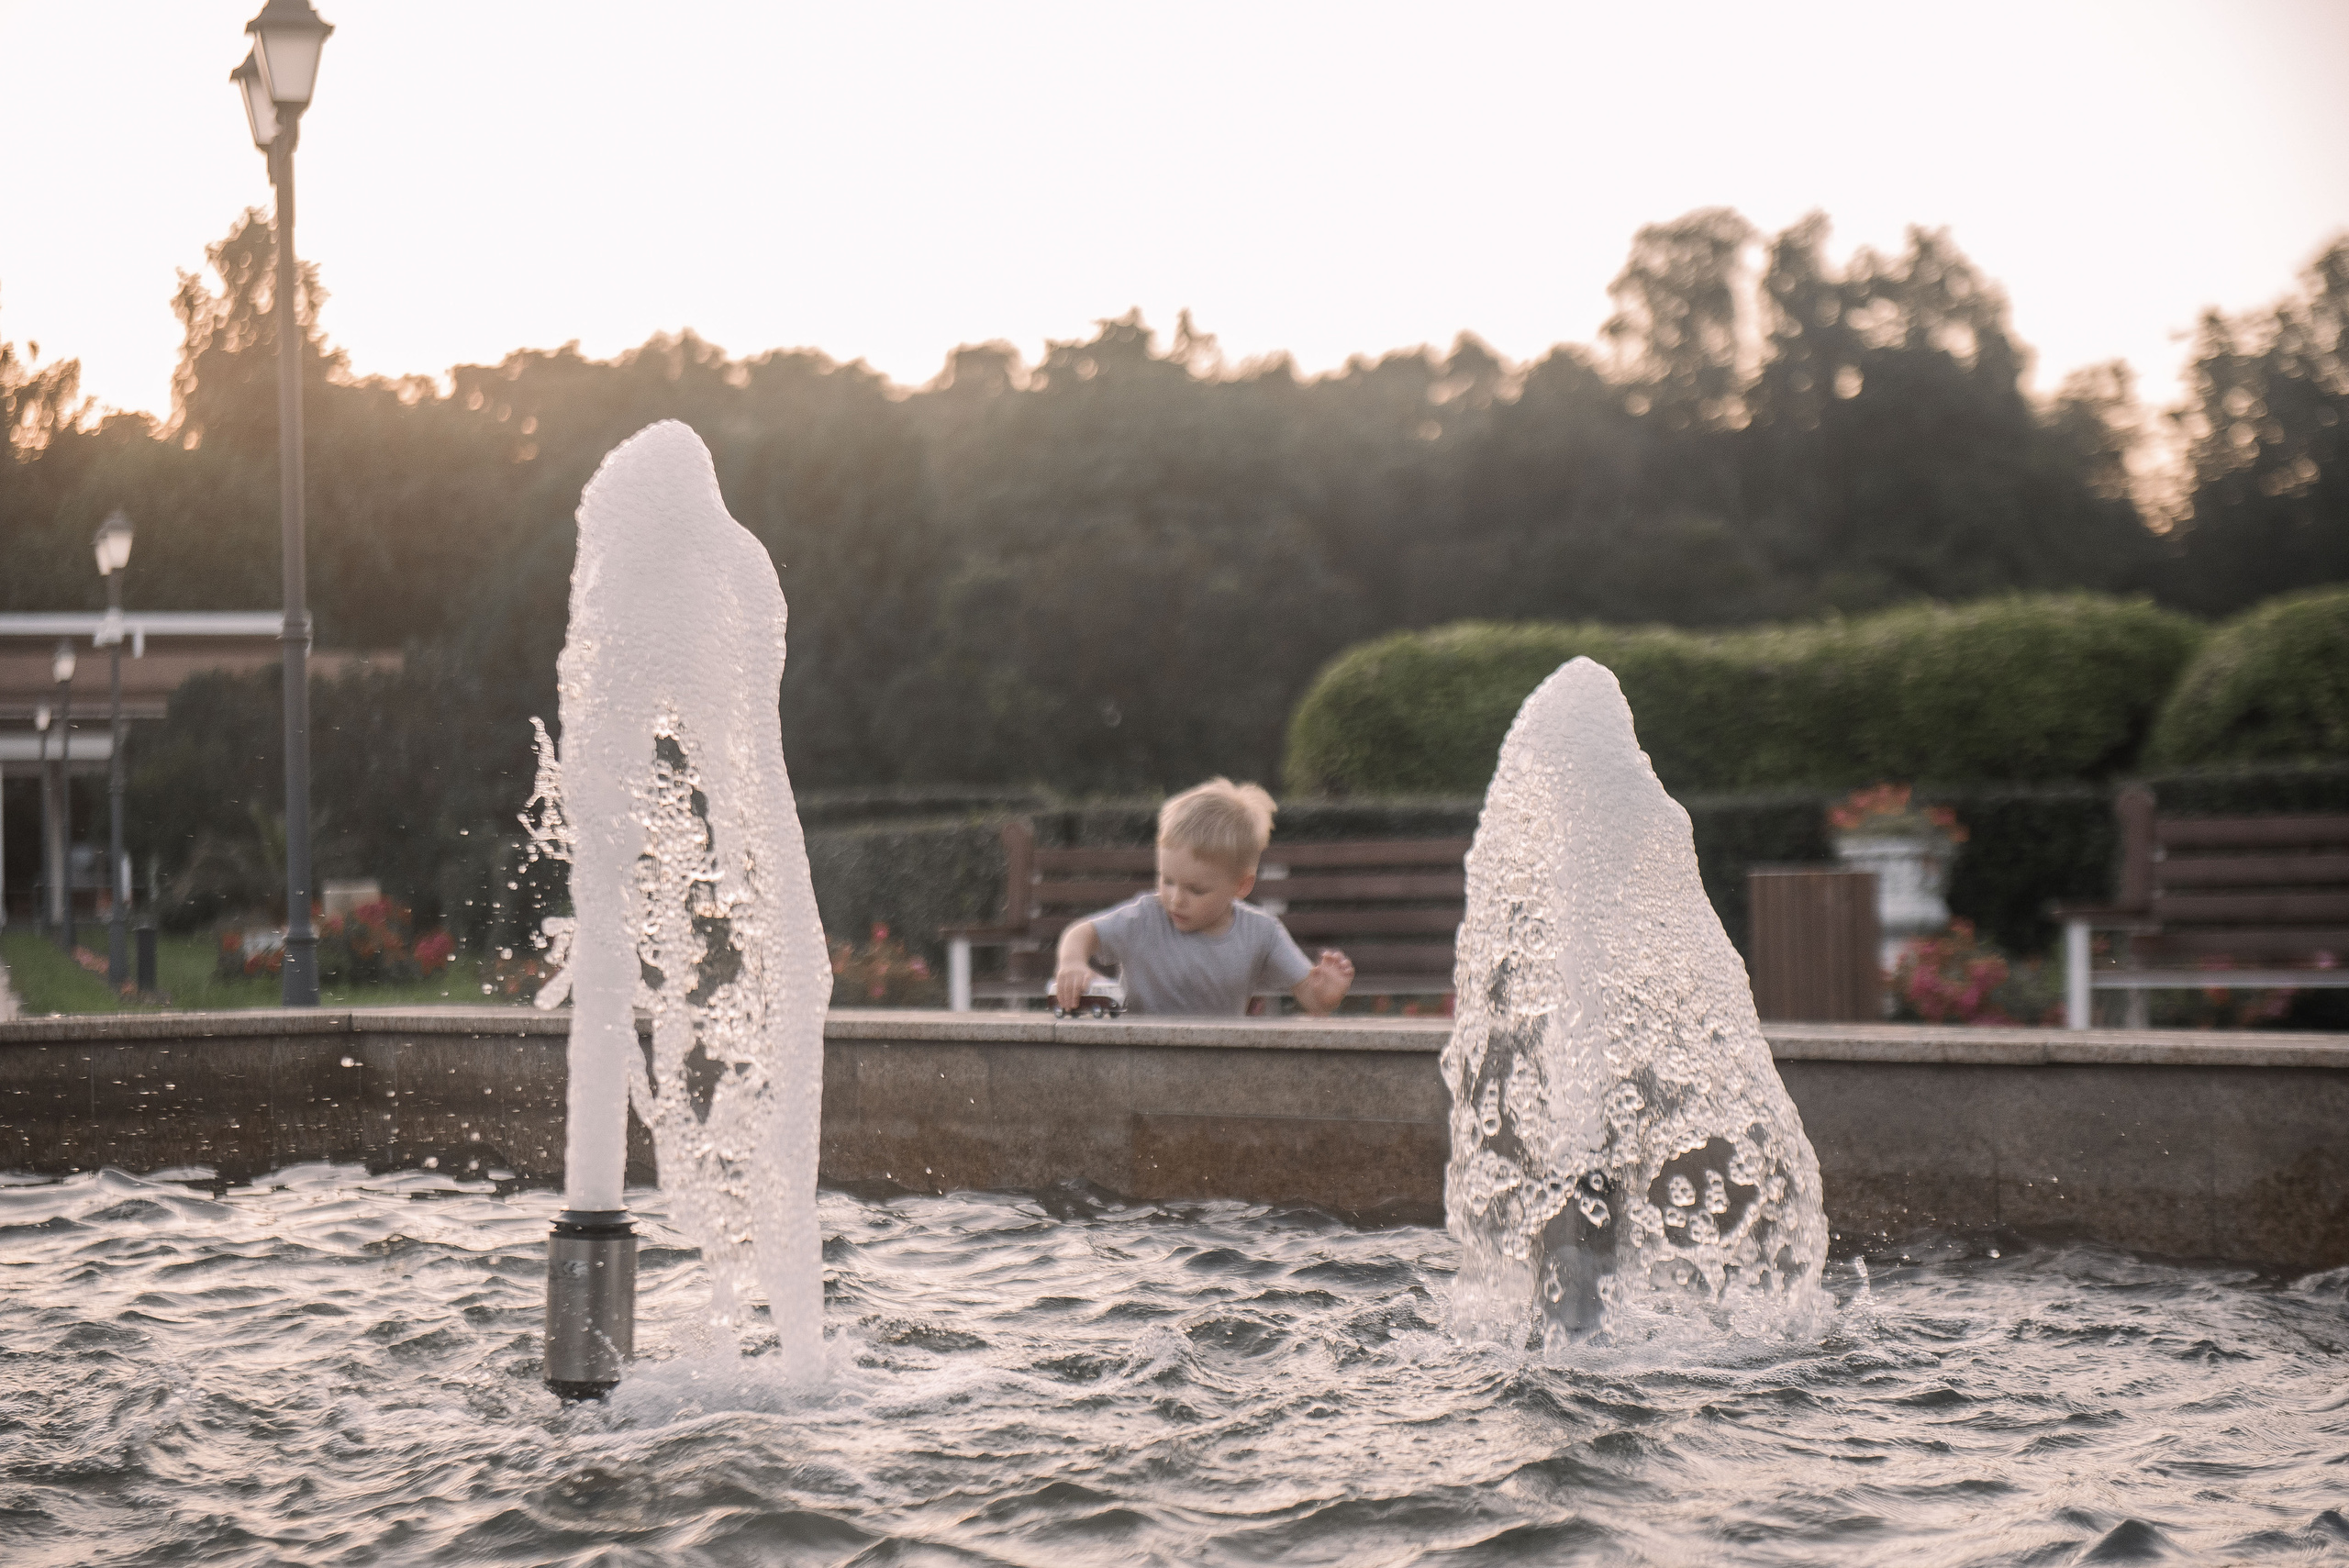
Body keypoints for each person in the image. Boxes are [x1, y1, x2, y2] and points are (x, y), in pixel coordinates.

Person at [1054, 777, 1355, 1017]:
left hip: (1217, 1066)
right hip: (1138, 1061)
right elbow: (1083, 932)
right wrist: (1072, 964)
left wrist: (1324, 995)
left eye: (1196, 890)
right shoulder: (1146, 917)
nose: (1175, 899)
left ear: (1241, 886)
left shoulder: (1260, 933)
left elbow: (1309, 995)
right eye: (1167, 880)